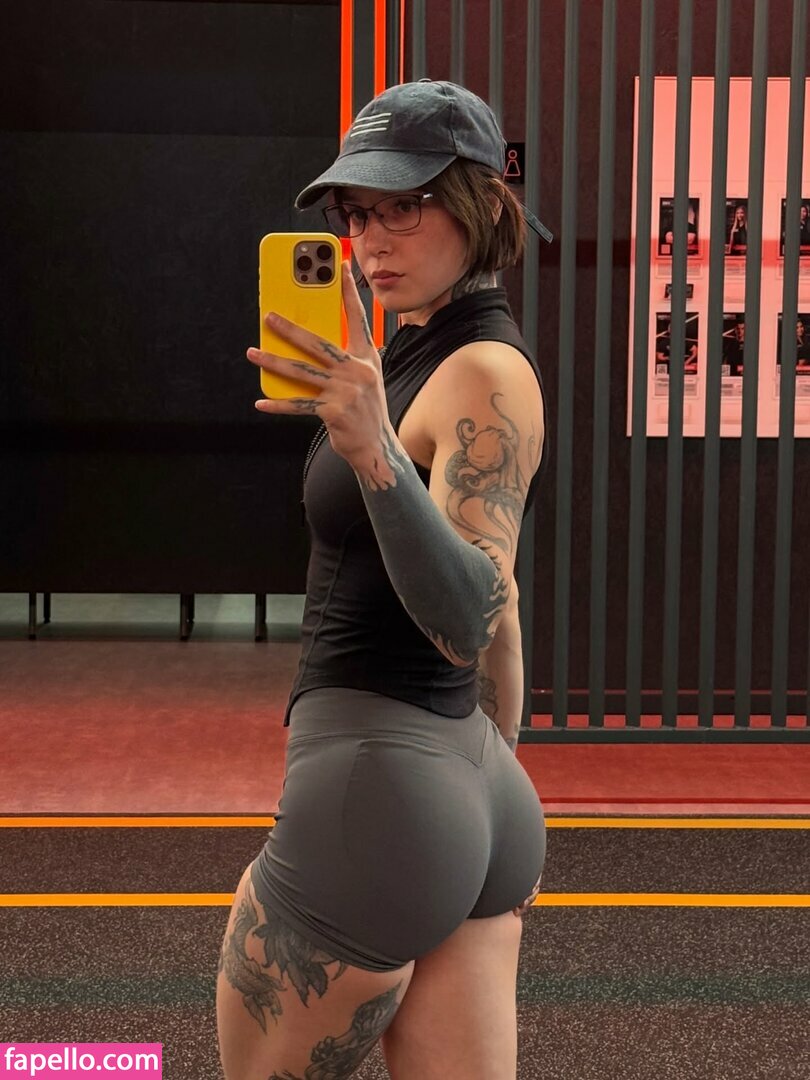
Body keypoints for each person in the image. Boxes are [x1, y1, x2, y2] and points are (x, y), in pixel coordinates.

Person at [216, 79, 549, 1080]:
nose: (371, 241)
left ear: (481, 203)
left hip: (379, 788)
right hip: (459, 786)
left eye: (404, 206)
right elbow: (505, 613)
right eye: (357, 214)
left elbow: (467, 615)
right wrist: (480, 777)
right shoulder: (411, 356)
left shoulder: (481, 372)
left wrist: (372, 453)